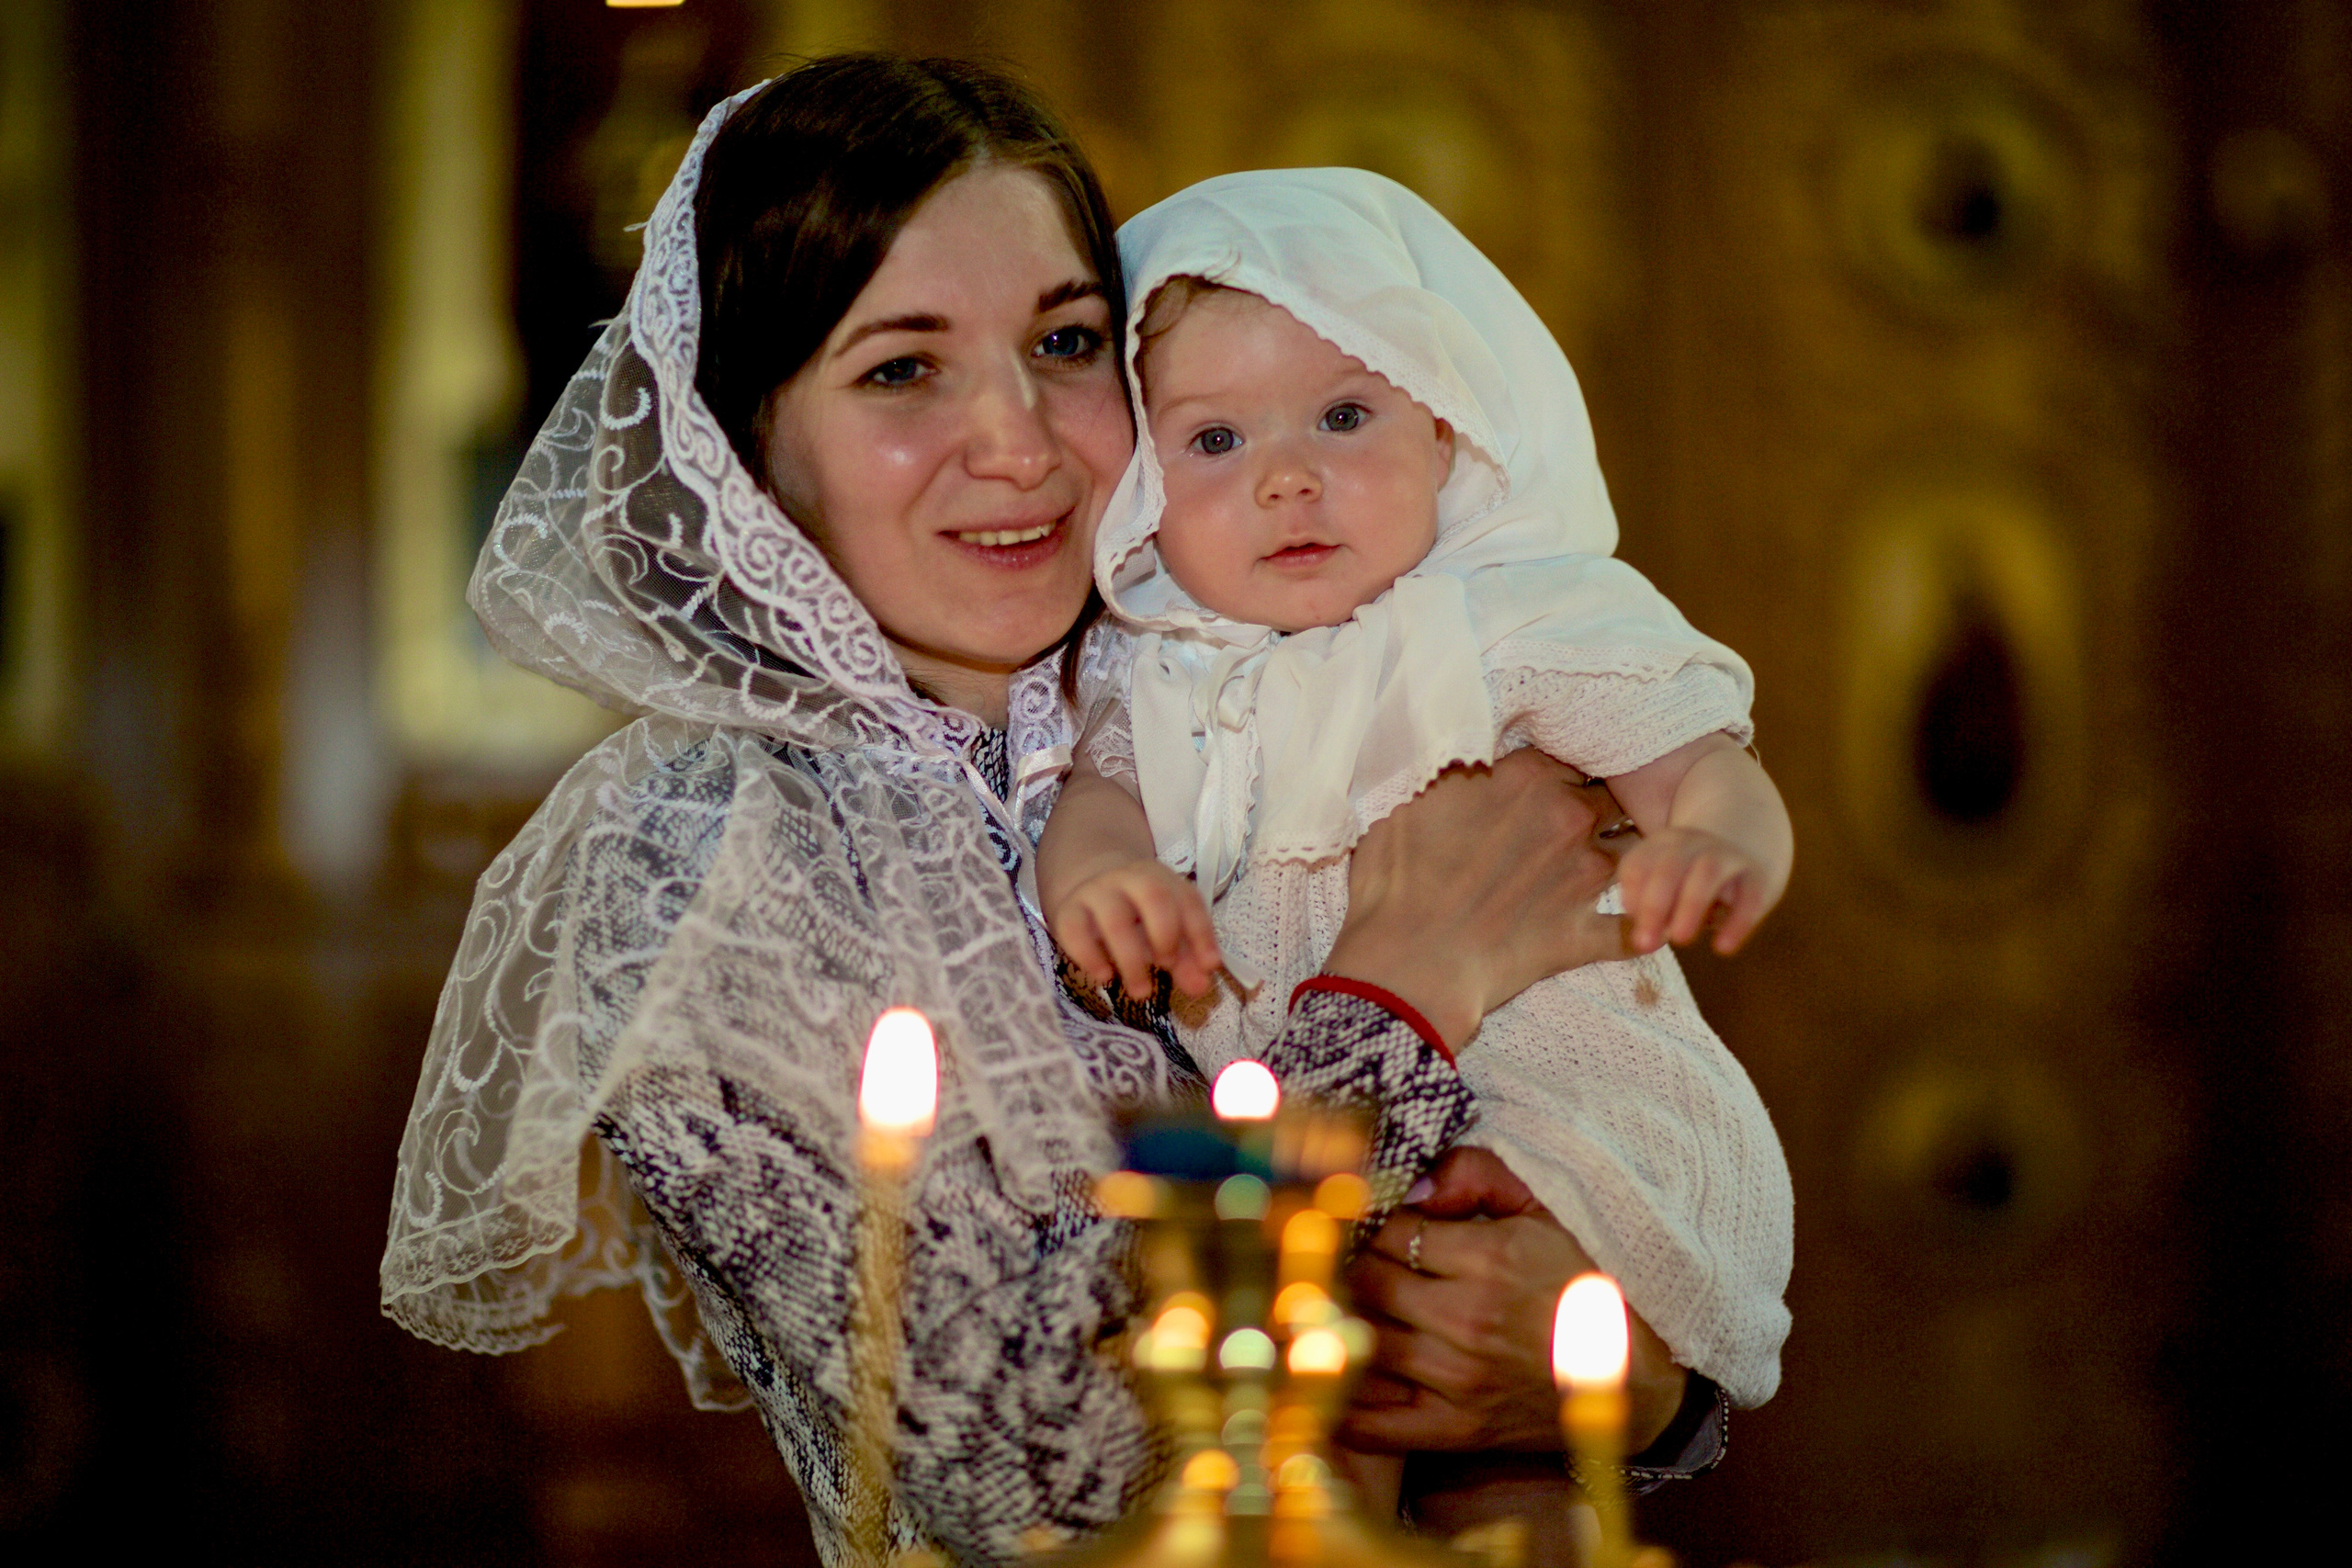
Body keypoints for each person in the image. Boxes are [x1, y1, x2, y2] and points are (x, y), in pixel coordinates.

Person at [378, 56, 1773, 1566]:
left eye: (1064, 341)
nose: (1023, 441)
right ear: (746, 444)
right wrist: (1405, 989)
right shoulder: (706, 854)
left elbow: (1579, 1137)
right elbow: (1013, 1462)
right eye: (901, 368)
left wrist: (1618, 1380)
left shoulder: (1239, 660)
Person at [1032, 169, 1794, 1529]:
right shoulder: (1154, 663)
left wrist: (1721, 844)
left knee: (1503, 1438)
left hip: (1545, 1098)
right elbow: (1099, 799)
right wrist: (1105, 874)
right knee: (1335, 1406)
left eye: (1344, 414)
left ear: (1446, 436)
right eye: (1214, 442)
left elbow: (1699, 757)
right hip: (1316, 1122)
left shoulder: (1507, 617)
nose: (1288, 475)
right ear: (1142, 488)